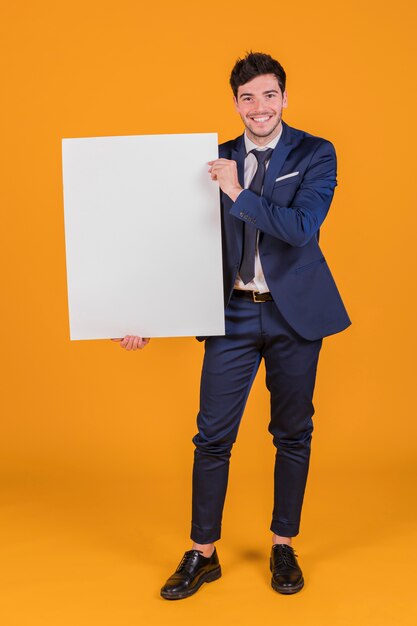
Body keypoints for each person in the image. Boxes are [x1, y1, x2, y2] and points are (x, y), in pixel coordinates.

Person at [112, 51, 351, 598]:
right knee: (212, 436)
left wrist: (239, 193)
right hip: (233, 311)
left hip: (295, 315)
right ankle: (203, 553)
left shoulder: (316, 153)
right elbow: (182, 243)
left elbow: (300, 227)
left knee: (292, 434)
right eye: (247, 98)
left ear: (284, 98)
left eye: (269, 95)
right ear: (235, 104)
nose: (259, 108)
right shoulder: (213, 158)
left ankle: (283, 544)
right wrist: (147, 314)